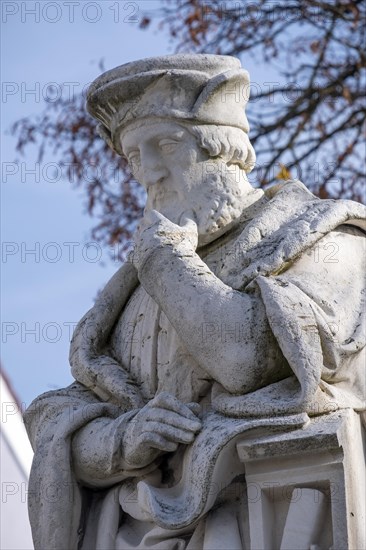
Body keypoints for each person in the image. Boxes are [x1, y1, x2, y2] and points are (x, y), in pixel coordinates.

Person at [24, 54, 366, 550]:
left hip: (268, 523)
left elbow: (250, 361)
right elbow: (61, 418)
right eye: (136, 156)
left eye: (166, 144)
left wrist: (166, 261)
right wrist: (122, 443)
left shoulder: (326, 239)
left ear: (224, 151)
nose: (151, 174)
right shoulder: (134, 291)